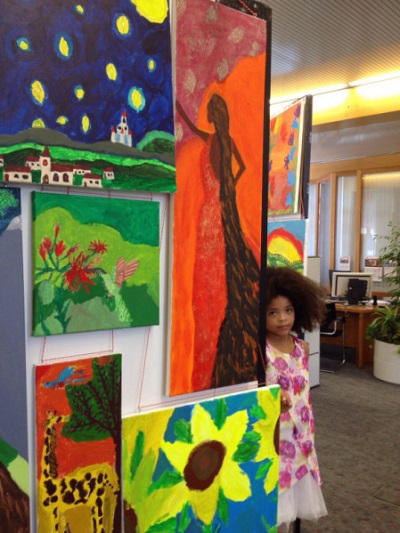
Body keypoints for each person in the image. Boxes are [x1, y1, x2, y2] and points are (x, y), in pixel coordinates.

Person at [176, 96, 260, 390]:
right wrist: (231, 182)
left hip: (211, 214)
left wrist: (179, 107)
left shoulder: (213, 139)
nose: (208, 114)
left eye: (211, 111)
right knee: (215, 268)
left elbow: (190, 126)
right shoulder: (225, 140)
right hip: (222, 210)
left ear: (216, 114)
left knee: (209, 270)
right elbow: (243, 167)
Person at [264, 266, 328, 532]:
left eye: (288, 310)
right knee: (275, 500)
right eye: (273, 312)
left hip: (301, 436)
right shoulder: (261, 351)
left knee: (293, 502)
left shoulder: (303, 348)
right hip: (275, 437)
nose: (282, 318)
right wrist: (273, 397)